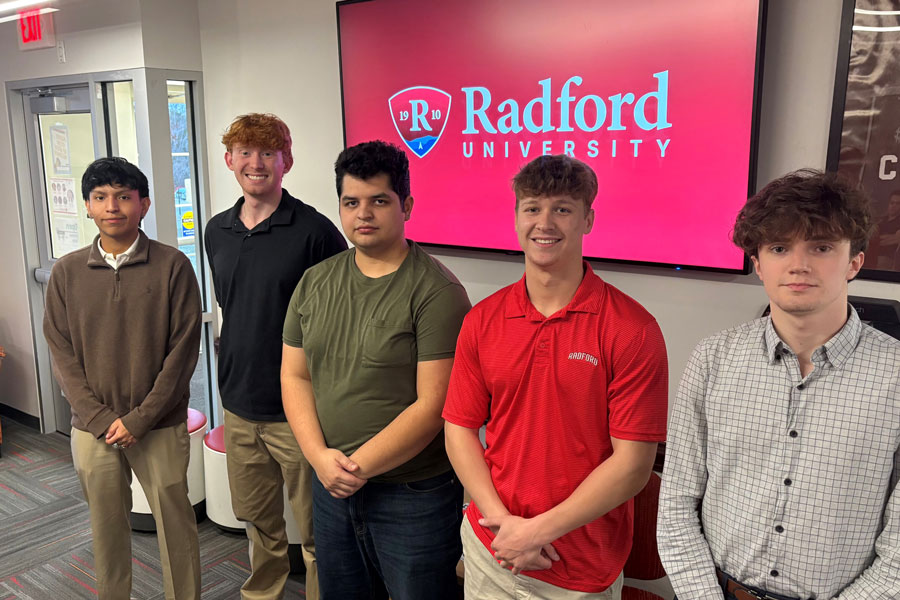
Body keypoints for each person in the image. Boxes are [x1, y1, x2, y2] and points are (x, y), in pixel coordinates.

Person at [658, 169, 900, 600]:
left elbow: (898, 558)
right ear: (758, 265)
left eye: (821, 247)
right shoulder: (713, 359)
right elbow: (676, 504)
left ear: (854, 262)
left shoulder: (895, 376)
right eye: (779, 247)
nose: (798, 265)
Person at [442, 154, 669, 599]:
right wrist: (506, 527)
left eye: (562, 208)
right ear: (516, 217)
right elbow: (459, 430)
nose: (545, 222)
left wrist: (535, 532)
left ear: (588, 219)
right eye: (532, 208)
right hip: (493, 548)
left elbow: (633, 466)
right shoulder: (483, 320)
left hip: (581, 567)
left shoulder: (631, 329)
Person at [281, 140, 471, 600]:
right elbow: (295, 375)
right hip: (331, 487)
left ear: (405, 205)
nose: (363, 214)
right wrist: (320, 459)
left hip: (413, 497)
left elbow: (433, 406)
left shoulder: (437, 292)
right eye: (351, 203)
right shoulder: (315, 281)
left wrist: (353, 467)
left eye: (379, 201)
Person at [43, 157, 202, 600]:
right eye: (100, 197)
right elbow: (61, 352)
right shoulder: (67, 272)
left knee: (176, 526)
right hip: (92, 429)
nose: (112, 206)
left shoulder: (173, 266)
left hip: (160, 424)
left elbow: (183, 351)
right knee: (107, 530)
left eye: (123, 196)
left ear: (144, 204)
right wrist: (97, 416)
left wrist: (140, 418)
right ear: (88, 207)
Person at [205, 113, 346, 600]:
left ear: (287, 160)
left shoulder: (316, 232)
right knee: (258, 523)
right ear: (229, 160)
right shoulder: (216, 230)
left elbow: (335, 323)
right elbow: (232, 306)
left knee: (315, 531)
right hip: (239, 404)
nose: (256, 162)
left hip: (300, 411)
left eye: (268, 152)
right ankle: (261, 593)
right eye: (244, 152)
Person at [866, 189, 900, 270]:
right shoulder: (881, 220)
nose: (894, 206)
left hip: (885, 257)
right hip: (870, 255)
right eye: (892, 203)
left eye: (898, 203)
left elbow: (890, 240)